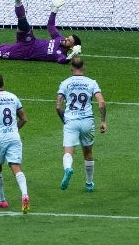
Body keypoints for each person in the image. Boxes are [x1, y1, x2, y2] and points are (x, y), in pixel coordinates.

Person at [0, 73, 30, 213]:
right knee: (16, 167)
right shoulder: (13, 96)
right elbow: (24, 118)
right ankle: (25, 194)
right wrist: (14, 129)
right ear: (3, 83)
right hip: (14, 137)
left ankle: (2, 201)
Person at [56, 56, 107, 192]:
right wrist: (103, 121)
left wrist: (64, 121)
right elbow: (101, 102)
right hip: (87, 121)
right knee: (88, 153)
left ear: (71, 67)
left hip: (71, 121)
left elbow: (58, 106)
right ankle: (89, 184)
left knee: (68, 151)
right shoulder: (92, 83)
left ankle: (68, 168)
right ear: (84, 67)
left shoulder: (65, 83)